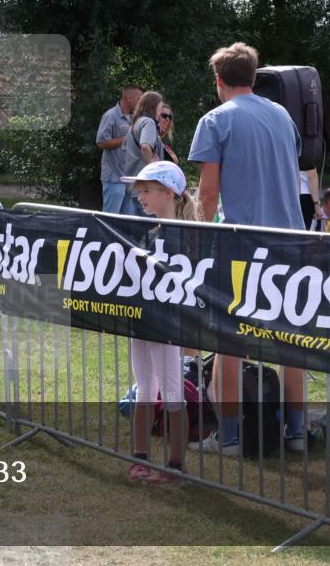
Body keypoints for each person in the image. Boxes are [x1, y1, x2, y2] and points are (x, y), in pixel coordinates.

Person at [187, 42, 306, 455]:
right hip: (291, 241)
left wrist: (199, 242)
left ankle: (231, 437)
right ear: (253, 78)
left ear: (218, 81)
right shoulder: (282, 115)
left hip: (240, 245)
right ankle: (295, 432)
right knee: (291, 340)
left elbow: (206, 196)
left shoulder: (215, 120)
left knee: (228, 341)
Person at [120, 161, 201, 485]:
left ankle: (175, 466)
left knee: (171, 393)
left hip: (166, 328)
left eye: (146, 190)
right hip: (142, 323)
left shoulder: (186, 236)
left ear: (168, 193)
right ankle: (139, 458)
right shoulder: (149, 232)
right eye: (139, 191)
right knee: (144, 391)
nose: (140, 197)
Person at [96, 84, 143, 213]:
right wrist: (126, 139)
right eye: (139, 98)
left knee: (126, 220)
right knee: (110, 218)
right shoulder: (110, 116)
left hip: (129, 177)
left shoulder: (136, 118)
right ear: (128, 97)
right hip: (114, 176)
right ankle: (103, 234)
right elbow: (101, 142)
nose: (141, 102)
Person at [119, 91, 164, 216]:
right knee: (150, 232)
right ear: (153, 107)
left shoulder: (134, 125)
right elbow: (145, 146)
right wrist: (152, 166)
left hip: (134, 186)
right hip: (146, 187)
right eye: (160, 108)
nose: (161, 112)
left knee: (135, 232)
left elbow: (124, 149)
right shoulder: (148, 123)